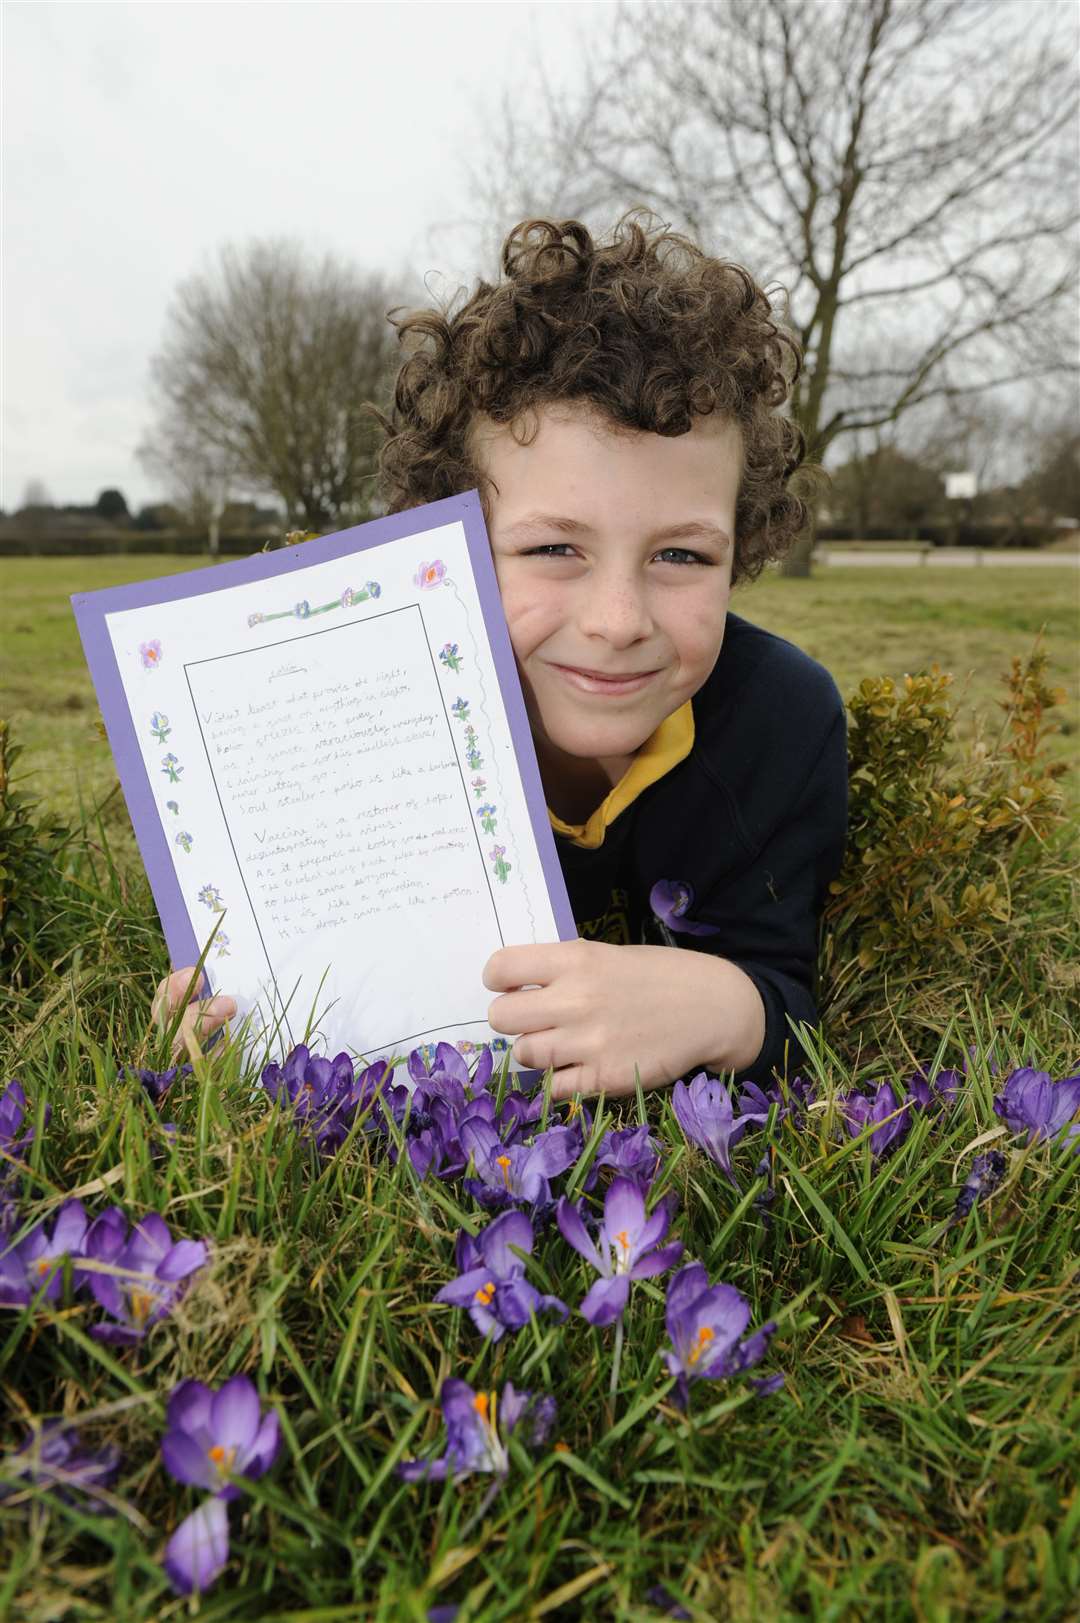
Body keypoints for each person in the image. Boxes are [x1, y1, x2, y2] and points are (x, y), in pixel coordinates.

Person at [157, 214, 847, 1100]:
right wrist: (221, 1005)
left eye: (682, 555)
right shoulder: (370, 710)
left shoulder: (781, 722)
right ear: (449, 542)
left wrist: (725, 1001)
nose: (617, 620)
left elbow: (785, 988)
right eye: (554, 548)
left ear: (740, 549)